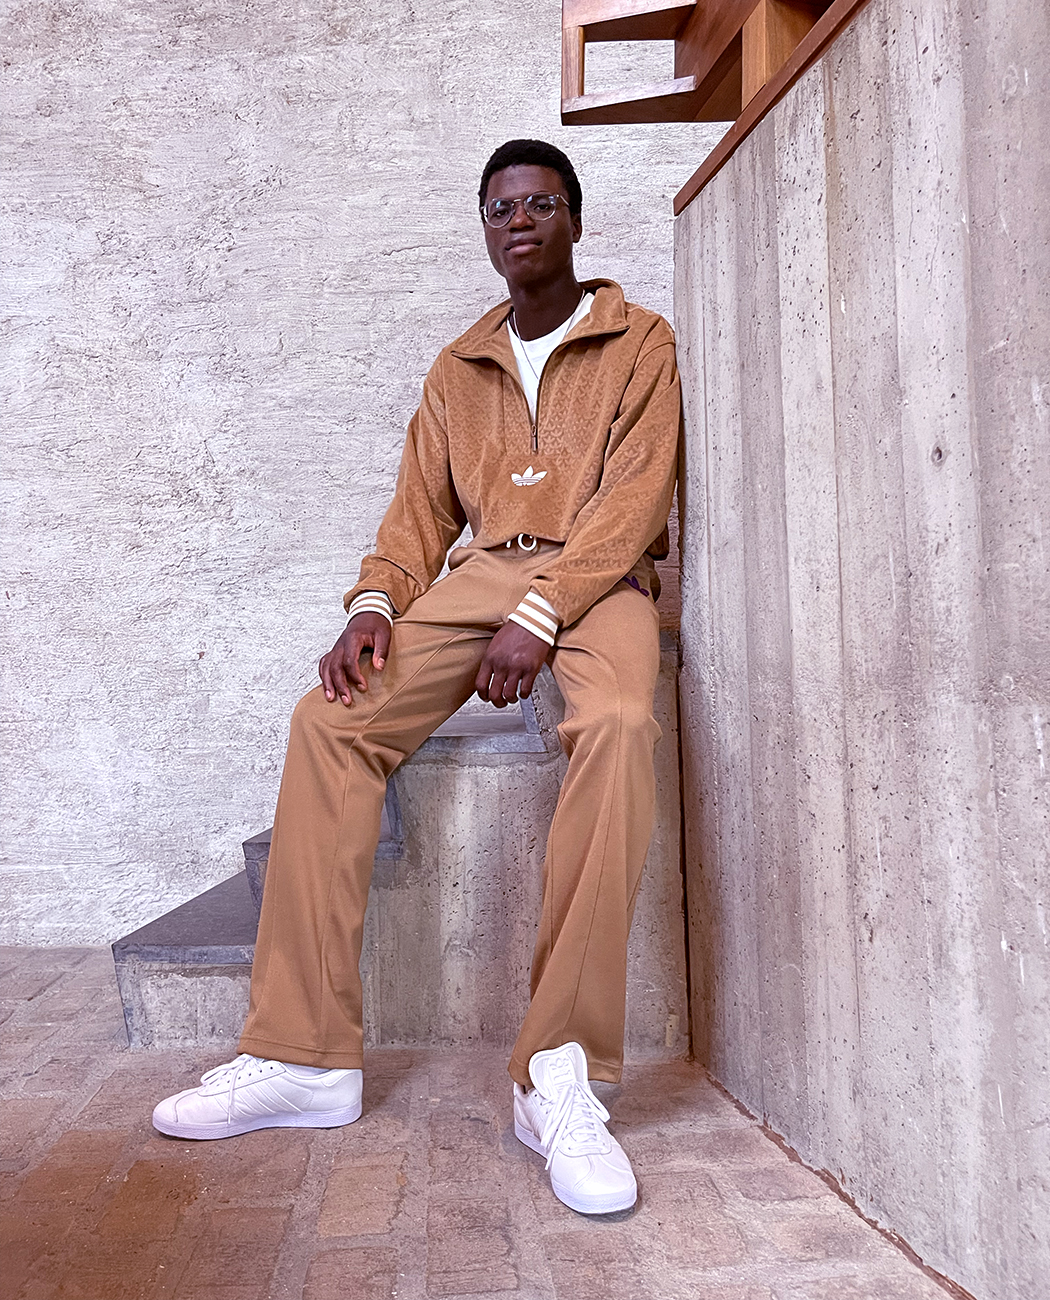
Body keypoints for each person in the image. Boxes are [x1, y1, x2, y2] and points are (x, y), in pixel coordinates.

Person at [152, 139, 681, 1217]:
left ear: (575, 221)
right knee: (328, 719)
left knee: (622, 719)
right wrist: (372, 606)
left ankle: (558, 1072)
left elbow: (633, 501)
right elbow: (417, 520)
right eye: (500, 208)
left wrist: (543, 613)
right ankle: (305, 1057)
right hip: (481, 577)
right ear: (485, 231)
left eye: (540, 203)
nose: (519, 221)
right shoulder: (458, 368)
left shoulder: (641, 341)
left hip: (599, 580)